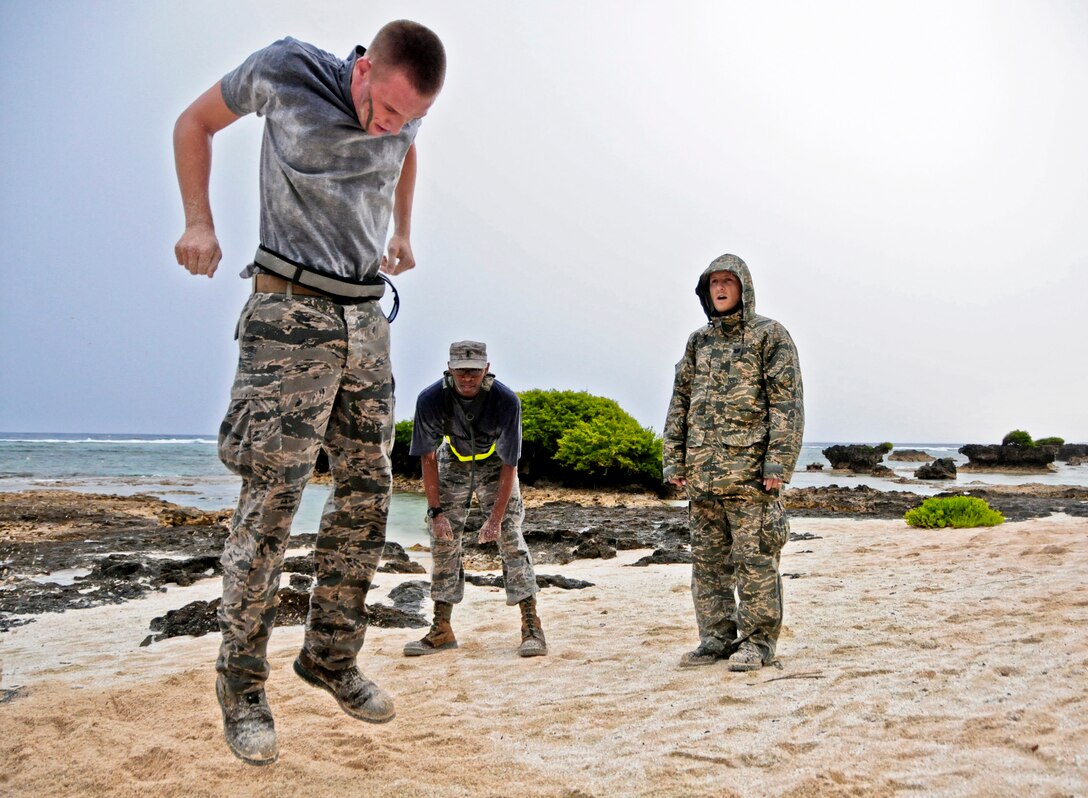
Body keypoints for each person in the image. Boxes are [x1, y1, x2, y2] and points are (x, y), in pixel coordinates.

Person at [172, 21, 446, 765]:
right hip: (287, 313)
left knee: (366, 496)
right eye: (386, 110)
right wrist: (199, 222)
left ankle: (329, 657)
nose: (391, 127)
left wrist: (403, 229)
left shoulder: (405, 116)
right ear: (363, 70)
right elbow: (194, 122)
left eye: (408, 117)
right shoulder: (287, 70)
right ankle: (241, 687)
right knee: (271, 504)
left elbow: (408, 150)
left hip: (366, 320)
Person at [662, 254, 804, 672]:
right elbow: (680, 402)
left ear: (744, 287)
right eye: (714, 282)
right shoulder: (698, 342)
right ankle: (715, 639)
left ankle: (758, 643)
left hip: (750, 479)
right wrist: (674, 460)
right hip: (702, 478)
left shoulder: (770, 336)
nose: (721, 288)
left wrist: (777, 465)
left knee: (755, 563)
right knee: (708, 565)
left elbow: (787, 405)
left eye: (728, 281)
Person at [404, 341, 547, 659]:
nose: (467, 378)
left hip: (495, 463)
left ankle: (532, 628)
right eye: (460, 371)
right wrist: (436, 512)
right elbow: (427, 457)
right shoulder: (430, 399)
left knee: (510, 537)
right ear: (449, 369)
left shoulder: (506, 401)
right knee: (442, 540)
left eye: (473, 371)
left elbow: (510, 463)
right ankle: (441, 629)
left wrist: (495, 519)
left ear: (486, 369)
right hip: (452, 459)